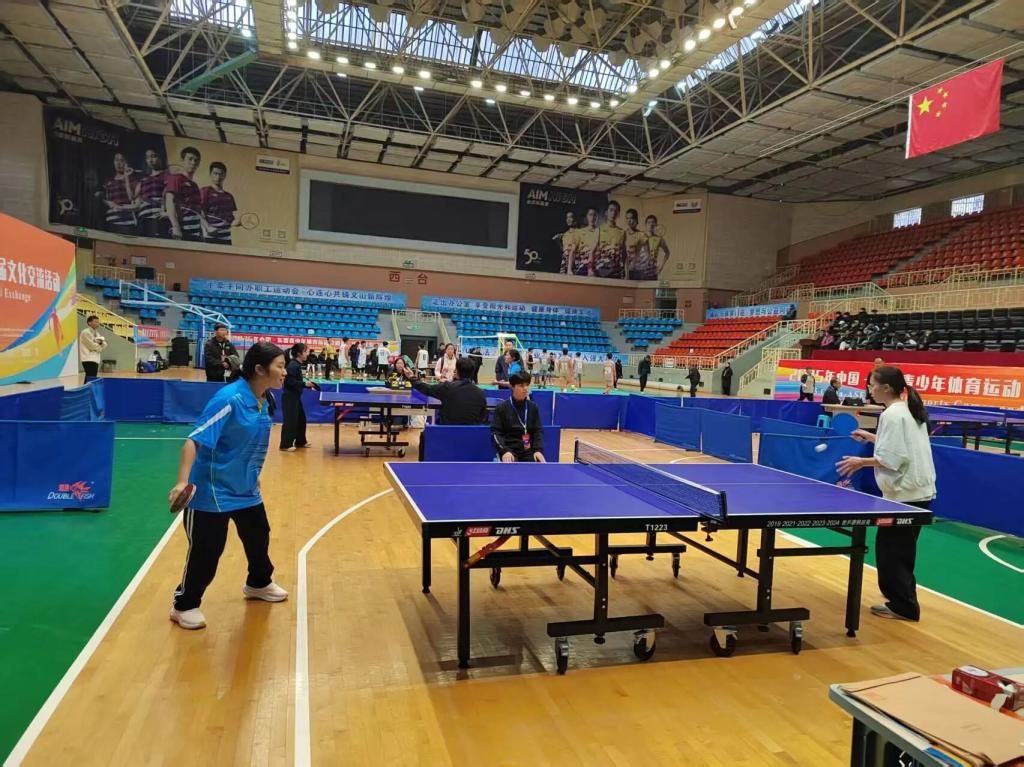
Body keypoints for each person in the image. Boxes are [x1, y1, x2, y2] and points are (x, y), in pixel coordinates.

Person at [167, 341, 289, 630]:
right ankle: (184, 605)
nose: (285, 372)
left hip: (246, 489)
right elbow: (194, 440)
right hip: (213, 491)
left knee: (258, 538)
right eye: (280, 366)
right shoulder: (229, 399)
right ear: (260, 369)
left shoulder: (265, 398)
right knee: (208, 551)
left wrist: (253, 473)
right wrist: (182, 481)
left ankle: (258, 583)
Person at [836, 366, 936, 622]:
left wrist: (860, 462)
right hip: (918, 492)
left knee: (892, 553)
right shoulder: (907, 409)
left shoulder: (891, 414)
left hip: (905, 494)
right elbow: (901, 446)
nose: (869, 389)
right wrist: (871, 437)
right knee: (900, 551)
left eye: (872, 385)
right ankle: (903, 601)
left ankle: (904, 607)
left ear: (886, 388)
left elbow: (892, 459)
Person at [404, 357, 487, 425]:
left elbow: (426, 388)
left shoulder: (447, 387)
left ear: (456, 371)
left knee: (424, 435)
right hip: (471, 436)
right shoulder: (480, 393)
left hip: (446, 433)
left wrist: (411, 377)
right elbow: (482, 417)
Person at [492, 372, 546, 463]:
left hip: (528, 451)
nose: (525, 388)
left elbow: (538, 430)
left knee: (538, 466)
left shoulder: (533, 407)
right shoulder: (501, 408)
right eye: (521, 386)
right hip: (509, 451)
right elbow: (496, 433)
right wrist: (504, 451)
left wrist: (538, 450)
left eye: (527, 385)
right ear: (512, 387)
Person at [164, 146, 206, 241]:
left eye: (196, 160)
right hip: (182, 231)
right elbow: (169, 201)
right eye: (190, 159)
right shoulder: (176, 178)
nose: (193, 163)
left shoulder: (195, 185)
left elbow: (196, 210)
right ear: (182, 160)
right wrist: (175, 227)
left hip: (196, 232)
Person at [280, 343, 315, 451]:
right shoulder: (293, 366)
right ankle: (285, 445)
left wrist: (306, 385)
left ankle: (300, 441)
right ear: (299, 354)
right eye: (305, 351)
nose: (307, 353)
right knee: (290, 421)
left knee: (301, 420)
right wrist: (304, 384)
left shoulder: (296, 365)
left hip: (295, 397)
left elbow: (296, 381)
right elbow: (289, 382)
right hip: (289, 397)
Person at [200, 161, 238, 244]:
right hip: (210, 237)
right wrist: (207, 227)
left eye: (221, 174)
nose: (218, 177)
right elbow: (199, 213)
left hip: (226, 238)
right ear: (210, 174)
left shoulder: (229, 196)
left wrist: (237, 222)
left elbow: (230, 218)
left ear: (225, 175)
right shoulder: (205, 191)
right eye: (215, 173)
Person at [136, 148, 168, 238]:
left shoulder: (166, 175)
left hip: (158, 217)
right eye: (147, 157)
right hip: (143, 218)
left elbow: (169, 195)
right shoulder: (143, 179)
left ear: (160, 158)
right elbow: (134, 197)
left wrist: (165, 210)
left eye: (153, 156)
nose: (150, 160)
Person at [593, 200, 625, 279]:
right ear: (606, 213)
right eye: (611, 210)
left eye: (616, 211)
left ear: (618, 214)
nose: (613, 213)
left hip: (616, 272)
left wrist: (626, 274)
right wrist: (590, 269)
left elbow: (625, 255)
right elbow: (592, 252)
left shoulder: (622, 232)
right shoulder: (599, 229)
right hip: (601, 271)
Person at [79, 315, 106, 381]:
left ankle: (87, 387)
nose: (98, 323)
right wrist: (100, 346)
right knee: (90, 377)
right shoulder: (85, 332)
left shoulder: (97, 333)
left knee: (92, 378)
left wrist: (99, 344)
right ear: (89, 323)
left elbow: (105, 344)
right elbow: (91, 346)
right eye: (95, 322)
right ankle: (86, 388)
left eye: (98, 322)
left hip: (95, 359)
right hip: (88, 358)